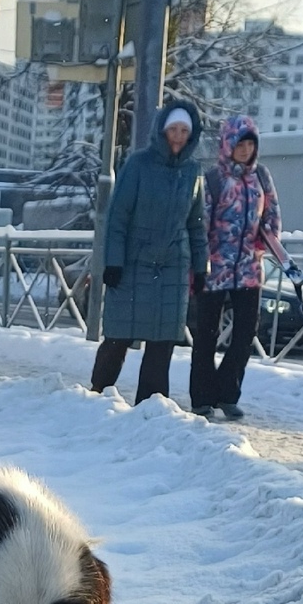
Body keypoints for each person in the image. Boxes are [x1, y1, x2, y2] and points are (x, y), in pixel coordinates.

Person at [90, 98, 208, 403]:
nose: (179, 136)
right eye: (174, 129)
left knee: (162, 342)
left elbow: (196, 224)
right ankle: (95, 397)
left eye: (185, 130)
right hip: (133, 263)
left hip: (172, 268)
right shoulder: (138, 164)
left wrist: (200, 266)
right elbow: (118, 217)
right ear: (162, 131)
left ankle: (151, 408)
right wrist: (112, 262)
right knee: (118, 337)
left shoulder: (193, 172)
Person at [189, 116, 281, 421]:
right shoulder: (213, 179)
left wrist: (261, 246)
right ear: (228, 145)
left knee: (244, 334)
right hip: (215, 268)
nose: (245, 149)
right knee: (206, 335)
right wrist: (199, 264)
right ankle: (202, 397)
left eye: (250, 143)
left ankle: (228, 393)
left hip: (249, 270)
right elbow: (200, 223)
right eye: (239, 143)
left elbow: (272, 216)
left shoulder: (262, 178)